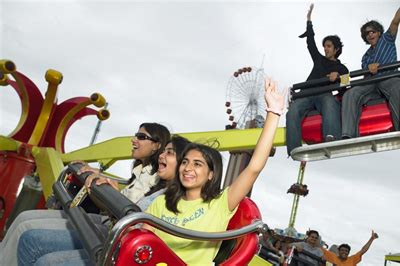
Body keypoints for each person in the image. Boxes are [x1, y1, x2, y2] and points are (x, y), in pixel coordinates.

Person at [143, 78, 286, 265]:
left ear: (211, 174)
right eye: (185, 162)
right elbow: (142, 241)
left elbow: (254, 167)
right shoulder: (161, 202)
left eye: (197, 164)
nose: (188, 168)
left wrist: (273, 113)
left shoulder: (219, 205)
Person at [0, 122, 170, 266]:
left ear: (156, 145)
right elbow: (126, 190)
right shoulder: (140, 172)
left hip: (111, 229)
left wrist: (108, 187)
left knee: (30, 236)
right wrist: (98, 176)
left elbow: (132, 209)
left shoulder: (158, 181)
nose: (134, 139)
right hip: (108, 222)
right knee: (24, 218)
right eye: (135, 135)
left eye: (141, 137)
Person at [341, 0, 400, 138]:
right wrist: (369, 68)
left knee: (398, 86)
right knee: (350, 94)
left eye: (373, 31)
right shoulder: (366, 56)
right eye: (367, 33)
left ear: (379, 32)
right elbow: (364, 72)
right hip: (371, 83)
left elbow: (395, 21)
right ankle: (348, 134)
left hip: (388, 78)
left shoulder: (387, 39)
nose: (370, 34)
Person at [286, 3, 349, 156]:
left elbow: (346, 85)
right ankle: (294, 148)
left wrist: (338, 78)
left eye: (328, 46)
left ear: (336, 49)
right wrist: (309, 21)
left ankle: (332, 138)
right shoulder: (319, 60)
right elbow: (310, 43)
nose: (325, 49)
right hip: (306, 93)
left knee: (330, 102)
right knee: (292, 111)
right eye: (324, 46)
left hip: (323, 95)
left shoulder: (342, 68)